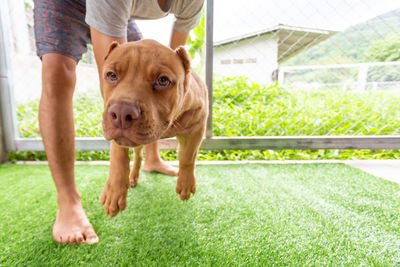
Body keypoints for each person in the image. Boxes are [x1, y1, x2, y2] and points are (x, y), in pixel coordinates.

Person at [33, 0, 204, 245]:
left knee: (144, 65)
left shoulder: (192, 2)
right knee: (57, 70)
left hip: (116, 11)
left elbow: (175, 66)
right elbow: (112, 82)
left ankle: (152, 159)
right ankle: (68, 201)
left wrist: (171, 107)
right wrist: (118, 163)